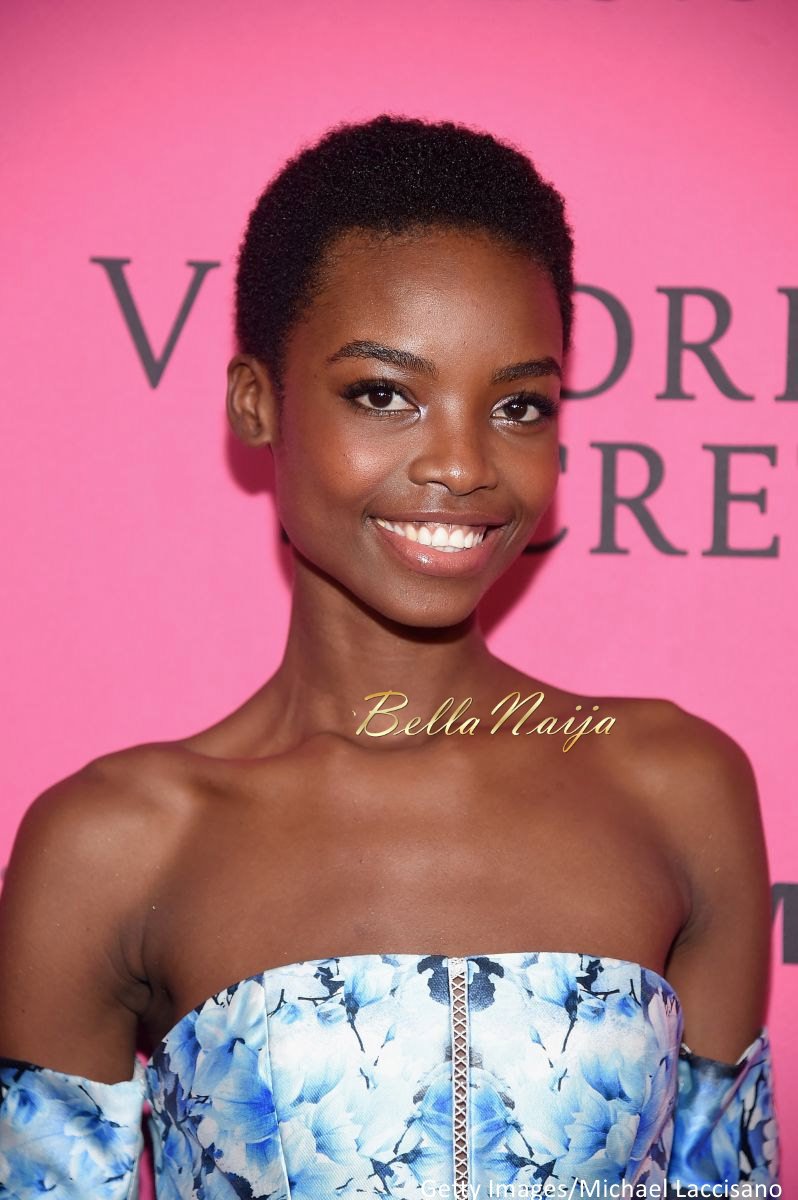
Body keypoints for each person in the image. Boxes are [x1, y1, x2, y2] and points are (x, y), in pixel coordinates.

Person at [0, 114, 780, 1198]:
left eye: (518, 406)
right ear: (256, 401)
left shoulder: (677, 784)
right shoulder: (116, 844)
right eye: (384, 394)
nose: (462, 464)